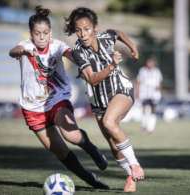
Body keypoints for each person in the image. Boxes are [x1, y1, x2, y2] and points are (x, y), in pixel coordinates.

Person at [8, 6, 109, 189]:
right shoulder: (26, 46)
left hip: (56, 98)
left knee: (70, 134)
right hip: (33, 108)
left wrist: (83, 62)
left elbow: (71, 54)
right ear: (31, 33)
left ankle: (93, 150)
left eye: (45, 33)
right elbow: (13, 51)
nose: (41, 37)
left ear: (50, 33)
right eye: (37, 33)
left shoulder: (57, 45)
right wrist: (22, 52)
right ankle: (90, 179)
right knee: (60, 151)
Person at [64, 7, 145, 192]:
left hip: (121, 90)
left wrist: (133, 47)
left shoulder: (106, 37)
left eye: (87, 29)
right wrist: (112, 65)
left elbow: (119, 33)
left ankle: (135, 165)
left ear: (95, 28)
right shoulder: (78, 52)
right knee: (113, 145)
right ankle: (130, 177)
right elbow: (92, 79)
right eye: (78, 30)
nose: (83, 34)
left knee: (109, 122)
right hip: (98, 101)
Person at [136, 57, 163, 133]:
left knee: (153, 110)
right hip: (144, 94)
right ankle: (144, 126)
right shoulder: (142, 71)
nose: (149, 64)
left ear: (154, 64)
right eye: (148, 62)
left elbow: (159, 82)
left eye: (151, 63)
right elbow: (138, 82)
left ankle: (151, 127)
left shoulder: (157, 72)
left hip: (154, 94)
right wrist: (137, 92)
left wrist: (159, 89)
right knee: (144, 110)